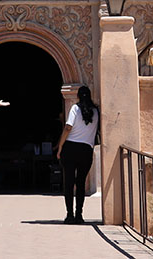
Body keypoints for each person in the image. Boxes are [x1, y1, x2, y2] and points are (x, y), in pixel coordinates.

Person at [56, 85, 99, 224]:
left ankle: (69, 215)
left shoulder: (75, 108)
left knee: (68, 182)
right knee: (80, 183)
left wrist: (60, 146)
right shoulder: (96, 111)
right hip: (86, 150)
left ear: (79, 96)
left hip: (70, 148)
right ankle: (79, 215)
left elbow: (68, 127)